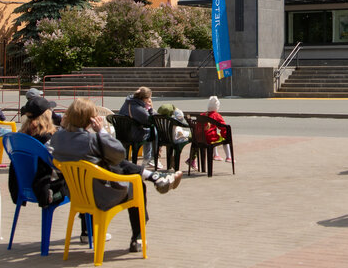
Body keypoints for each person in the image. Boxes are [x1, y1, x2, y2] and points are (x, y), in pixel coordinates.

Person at [50, 98, 182, 253]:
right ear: (90, 119)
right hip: (102, 195)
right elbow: (120, 153)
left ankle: (87, 231)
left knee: (98, 169)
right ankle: (137, 237)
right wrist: (101, 131)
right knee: (136, 185)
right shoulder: (93, 140)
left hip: (76, 193)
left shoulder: (57, 138)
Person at [118, 86, 157, 166]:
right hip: (133, 135)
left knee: (149, 130)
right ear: (144, 98)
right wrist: (150, 109)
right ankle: (150, 158)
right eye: (149, 97)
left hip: (122, 133)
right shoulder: (138, 109)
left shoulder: (128, 102)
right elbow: (149, 121)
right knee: (153, 131)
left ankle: (148, 158)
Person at [202, 96, 231, 163]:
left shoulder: (203, 114)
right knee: (223, 138)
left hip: (201, 138)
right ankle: (228, 157)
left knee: (213, 133)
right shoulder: (216, 115)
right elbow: (223, 127)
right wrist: (225, 136)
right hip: (210, 139)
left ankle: (216, 154)